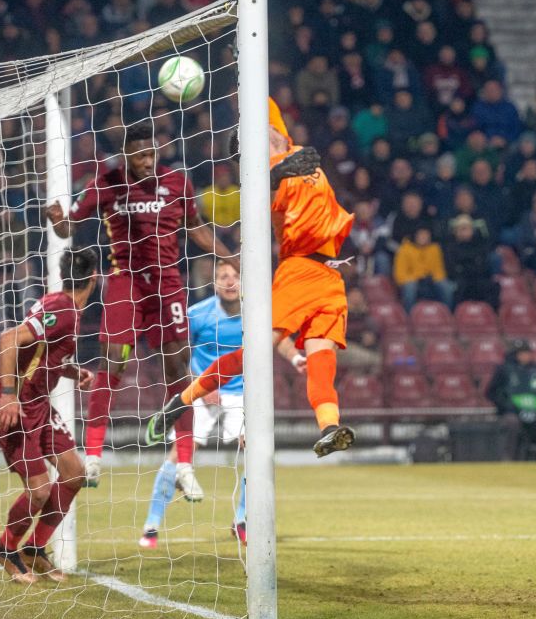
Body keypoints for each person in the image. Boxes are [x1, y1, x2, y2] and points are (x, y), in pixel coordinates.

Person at [146, 97, 355, 458]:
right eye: (258, 132)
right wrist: (275, 175)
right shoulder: (263, 181)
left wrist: (242, 53)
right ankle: (182, 401)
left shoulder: (286, 142)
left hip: (330, 274)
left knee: (323, 360)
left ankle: (330, 429)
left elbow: (262, 97)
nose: (269, 129)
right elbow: (264, 198)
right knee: (255, 353)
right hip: (300, 269)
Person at [46, 122, 237, 499]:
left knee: (177, 369)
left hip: (168, 285)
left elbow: (196, 228)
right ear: (127, 155)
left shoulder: (177, 183)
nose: (148, 162)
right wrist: (58, 220)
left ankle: (184, 464)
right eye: (140, 156)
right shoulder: (107, 183)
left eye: (152, 154)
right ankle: (95, 455)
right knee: (112, 362)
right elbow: (69, 228)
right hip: (125, 282)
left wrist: (231, 257)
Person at [139, 259, 287, 549]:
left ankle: (242, 520)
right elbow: (180, 358)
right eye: (223, 276)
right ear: (214, 282)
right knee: (180, 454)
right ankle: (152, 525)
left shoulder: (256, 315)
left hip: (241, 393)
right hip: (203, 391)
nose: (230, 281)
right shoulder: (197, 314)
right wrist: (202, 388)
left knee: (258, 451)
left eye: (235, 276)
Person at [0, 248, 97, 583]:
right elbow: (8, 339)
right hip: (15, 404)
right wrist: (7, 395)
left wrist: (75, 373)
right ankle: (6, 548)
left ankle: (35, 548)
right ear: (93, 279)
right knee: (39, 490)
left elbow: (46, 356)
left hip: (38, 405)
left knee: (74, 473)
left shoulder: (63, 307)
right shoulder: (62, 308)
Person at [488, 340, 536, 460]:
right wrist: (506, 406)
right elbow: (491, 392)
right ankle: (508, 458)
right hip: (511, 412)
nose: (527, 356)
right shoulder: (503, 369)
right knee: (512, 423)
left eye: (528, 353)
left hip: (534, 411)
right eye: (523, 353)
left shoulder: (535, 370)